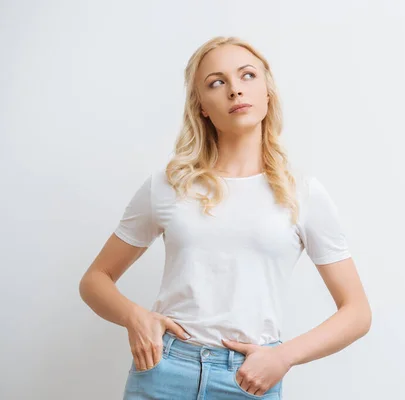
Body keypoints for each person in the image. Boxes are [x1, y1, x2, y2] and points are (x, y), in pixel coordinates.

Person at [79, 35, 371, 399]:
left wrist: (284, 357)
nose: (235, 90)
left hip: (249, 380)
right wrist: (134, 316)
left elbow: (357, 312)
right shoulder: (169, 185)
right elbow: (95, 279)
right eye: (216, 82)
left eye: (247, 76)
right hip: (163, 371)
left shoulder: (302, 193)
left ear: (268, 93)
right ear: (201, 105)